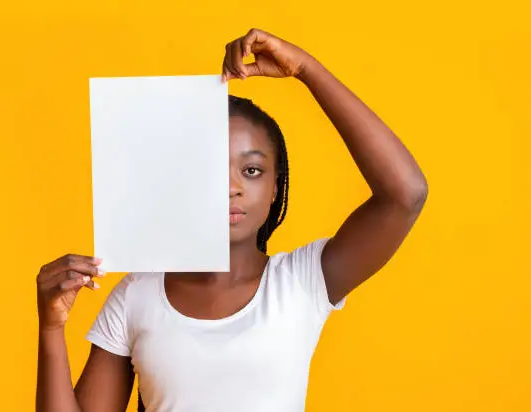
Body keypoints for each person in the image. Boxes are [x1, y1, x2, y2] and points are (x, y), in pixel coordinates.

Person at [35, 28, 428, 412]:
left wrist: (306, 69)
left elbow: (405, 194)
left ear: (276, 187)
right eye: (210, 169)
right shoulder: (137, 295)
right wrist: (51, 328)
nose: (231, 188)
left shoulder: (303, 281)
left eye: (252, 170)